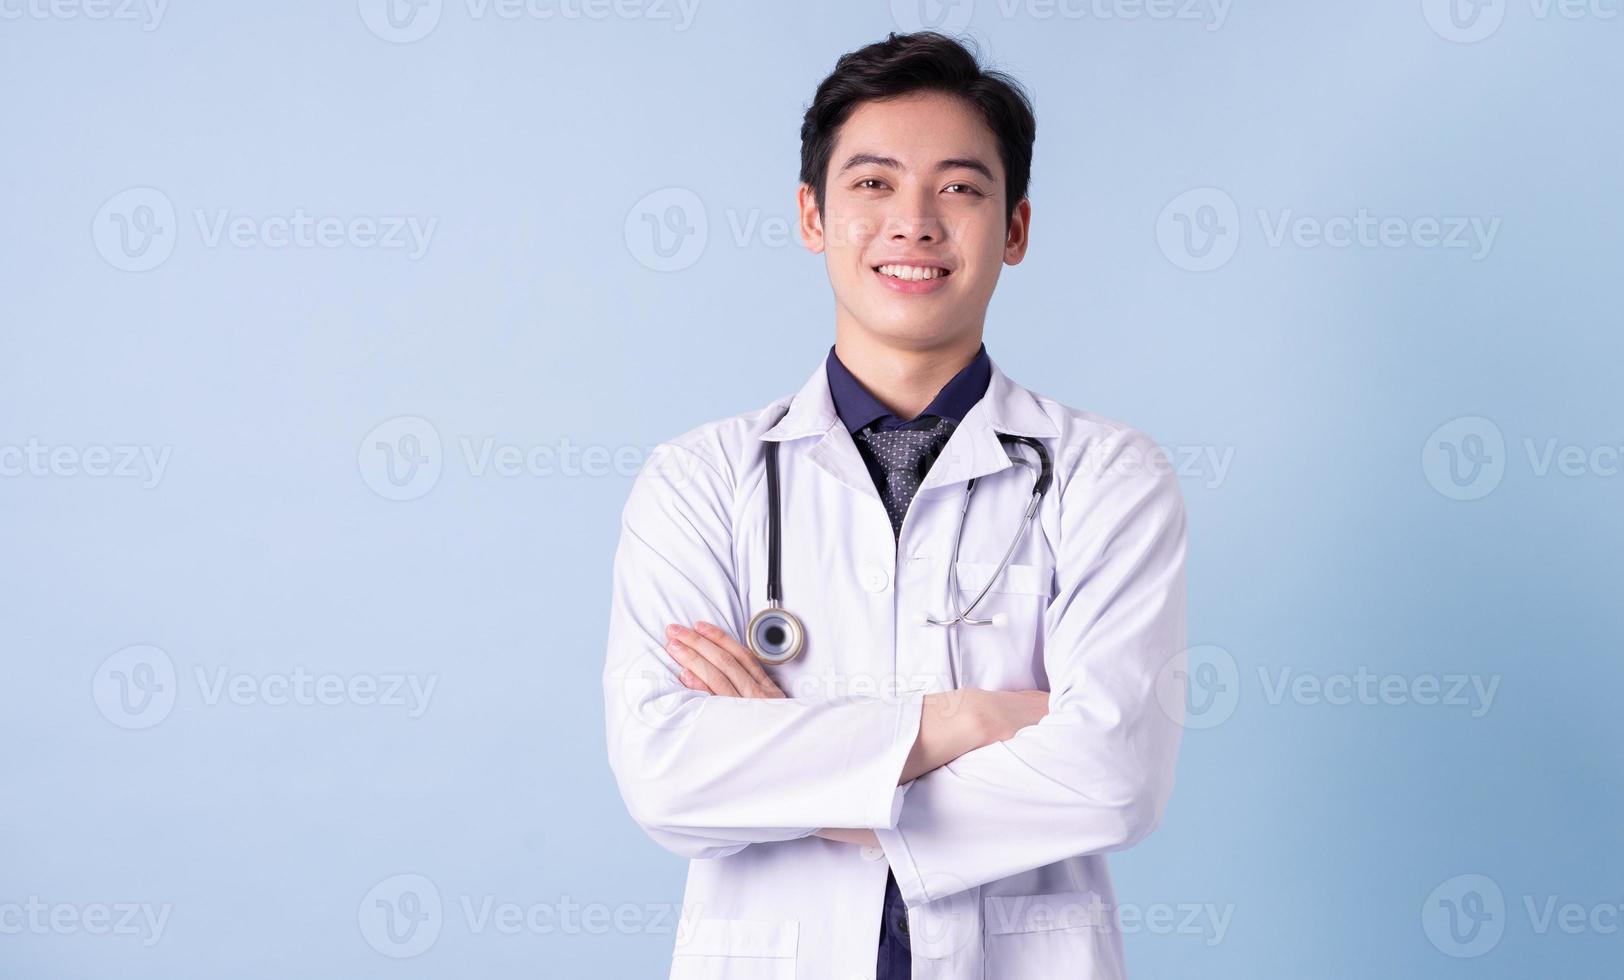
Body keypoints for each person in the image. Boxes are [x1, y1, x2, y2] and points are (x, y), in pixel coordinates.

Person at [603, 31, 1188, 980]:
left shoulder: (1106, 475)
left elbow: (1113, 776)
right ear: (811, 214)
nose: (913, 222)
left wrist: (796, 771)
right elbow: (668, 773)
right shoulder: (701, 479)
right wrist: (964, 723)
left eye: (959, 188)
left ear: (1016, 229)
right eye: (873, 184)